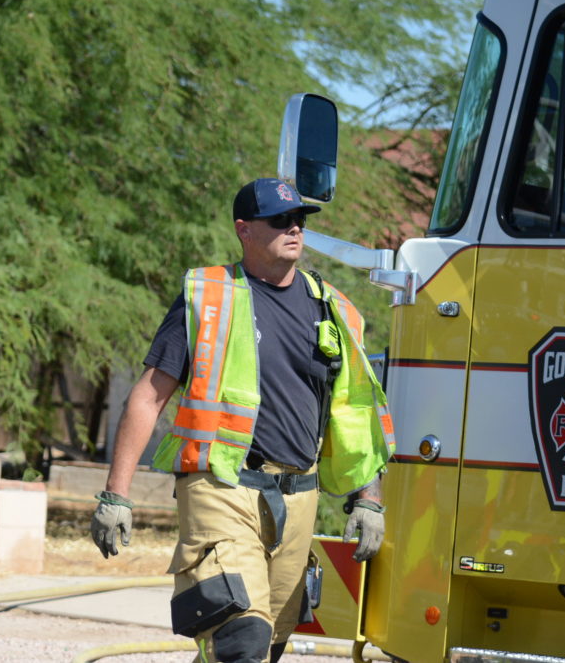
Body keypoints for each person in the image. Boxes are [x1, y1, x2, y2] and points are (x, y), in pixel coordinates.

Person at [90, 178, 395, 663]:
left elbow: (354, 413)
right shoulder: (209, 296)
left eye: (299, 220)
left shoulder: (332, 307)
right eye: (279, 220)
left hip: (299, 495)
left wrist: (368, 498)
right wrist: (116, 495)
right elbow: (148, 396)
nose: (294, 228)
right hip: (222, 486)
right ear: (244, 230)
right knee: (240, 635)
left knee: (266, 645)